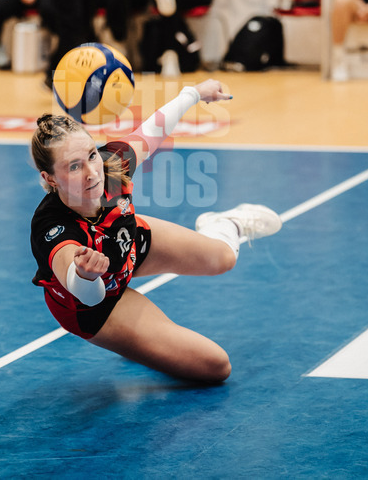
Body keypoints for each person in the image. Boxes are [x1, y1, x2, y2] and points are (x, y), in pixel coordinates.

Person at [28, 80, 283, 382]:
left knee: (224, 258)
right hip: (97, 306)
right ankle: (133, 343)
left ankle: (224, 223)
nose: (92, 173)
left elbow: (153, 130)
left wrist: (194, 93)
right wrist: (86, 275)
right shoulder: (53, 228)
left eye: (92, 156)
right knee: (215, 367)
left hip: (128, 245)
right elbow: (90, 296)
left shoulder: (111, 167)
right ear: (50, 178)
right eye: (73, 167)